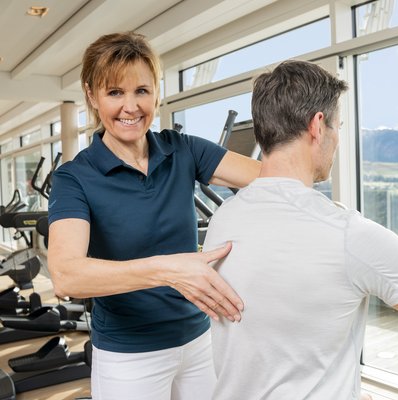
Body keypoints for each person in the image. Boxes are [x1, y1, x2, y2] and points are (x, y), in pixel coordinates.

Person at [47, 31, 260, 400]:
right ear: (91, 96)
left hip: (200, 340)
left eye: (141, 91)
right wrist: (167, 269)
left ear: (157, 94)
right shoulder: (74, 177)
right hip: (129, 355)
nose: (130, 107)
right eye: (115, 92)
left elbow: (271, 181)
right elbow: (66, 275)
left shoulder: (184, 150)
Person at [203, 60, 398, 400]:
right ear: (318, 126)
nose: (337, 140)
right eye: (338, 126)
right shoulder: (347, 234)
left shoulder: (225, 218)